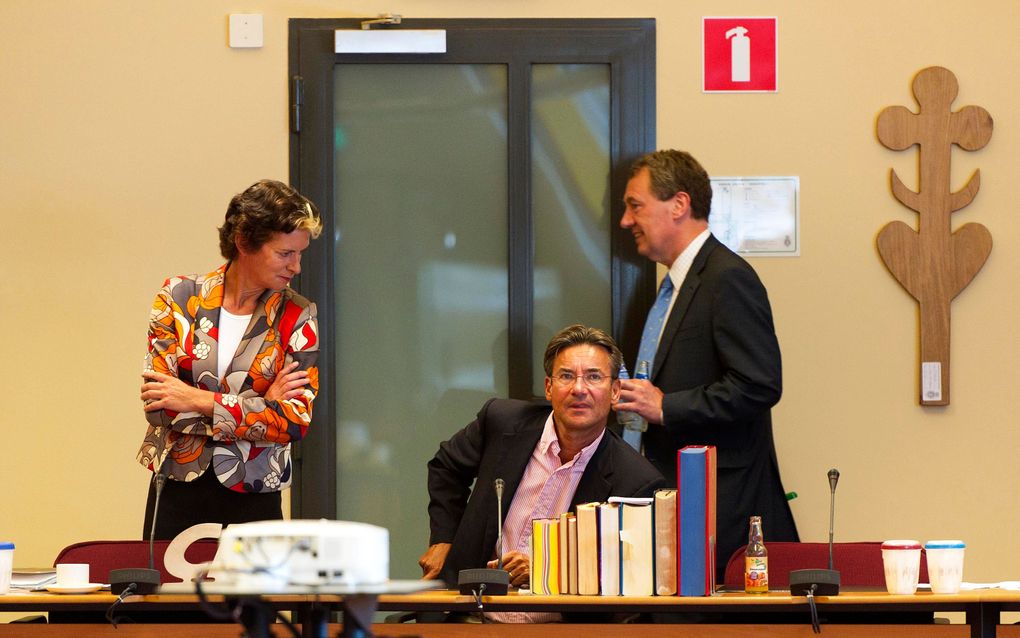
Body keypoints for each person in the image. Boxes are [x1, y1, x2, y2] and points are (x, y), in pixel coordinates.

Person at [615, 149, 798, 580]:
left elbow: (759, 385)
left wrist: (667, 407)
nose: (625, 221)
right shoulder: (672, 286)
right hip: (672, 501)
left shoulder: (726, 278)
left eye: (635, 205)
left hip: (720, 512)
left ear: (679, 205)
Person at [419, 324, 665, 600]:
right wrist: (443, 538)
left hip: (558, 626)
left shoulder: (635, 480)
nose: (579, 389)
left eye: (594, 377)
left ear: (615, 391)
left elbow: (624, 575)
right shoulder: (502, 422)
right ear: (549, 387)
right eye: (566, 376)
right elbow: (446, 468)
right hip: (471, 615)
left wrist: (547, 570)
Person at [137, 179, 323, 539]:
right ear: (244, 241)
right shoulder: (179, 298)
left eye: (300, 254)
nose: (296, 267)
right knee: (166, 596)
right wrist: (263, 404)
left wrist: (198, 399)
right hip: (178, 486)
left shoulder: (297, 315)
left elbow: (295, 421)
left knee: (253, 598)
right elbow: (159, 407)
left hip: (256, 494)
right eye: (285, 253)